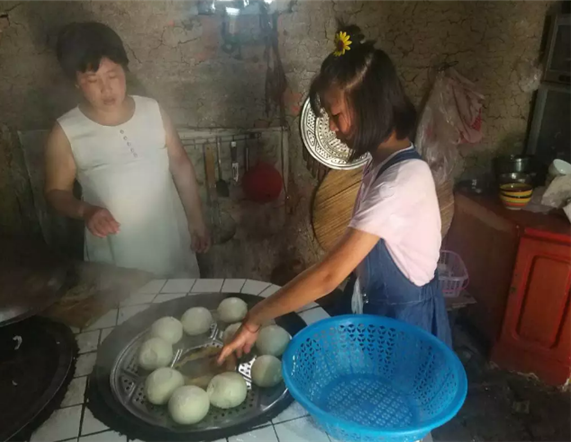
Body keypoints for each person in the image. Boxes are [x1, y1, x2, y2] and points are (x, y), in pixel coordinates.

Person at [219, 24, 451, 363]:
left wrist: (257, 316)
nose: (331, 126)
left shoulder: (401, 181)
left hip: (405, 326)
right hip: (379, 310)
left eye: (336, 114)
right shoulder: (380, 164)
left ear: (370, 106)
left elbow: (329, 275)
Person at [45, 22, 209, 278]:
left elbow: (180, 164)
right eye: (92, 80)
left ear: (124, 68)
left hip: (171, 239)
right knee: (127, 301)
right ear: (76, 83)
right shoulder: (67, 131)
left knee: (183, 299)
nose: (106, 88)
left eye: (112, 75)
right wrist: (86, 211)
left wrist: (196, 220)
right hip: (117, 254)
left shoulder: (152, 110)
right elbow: (56, 192)